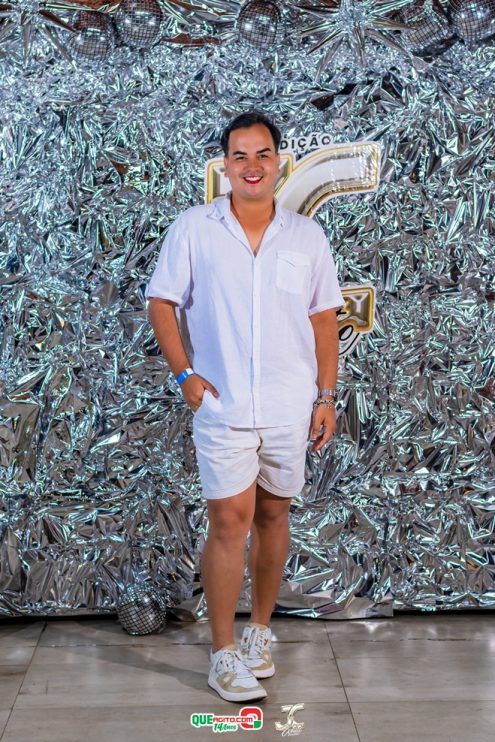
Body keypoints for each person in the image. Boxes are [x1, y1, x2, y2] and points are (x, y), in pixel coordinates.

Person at [145, 110, 345, 703]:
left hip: (289, 403)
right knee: (229, 520)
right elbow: (161, 301)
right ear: (225, 165)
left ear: (278, 162)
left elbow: (324, 319)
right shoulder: (195, 228)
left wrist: (325, 396)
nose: (252, 166)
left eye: (262, 155)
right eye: (240, 156)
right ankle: (223, 651)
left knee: (274, 516)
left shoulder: (306, 236)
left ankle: (259, 631)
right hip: (223, 404)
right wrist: (185, 374)